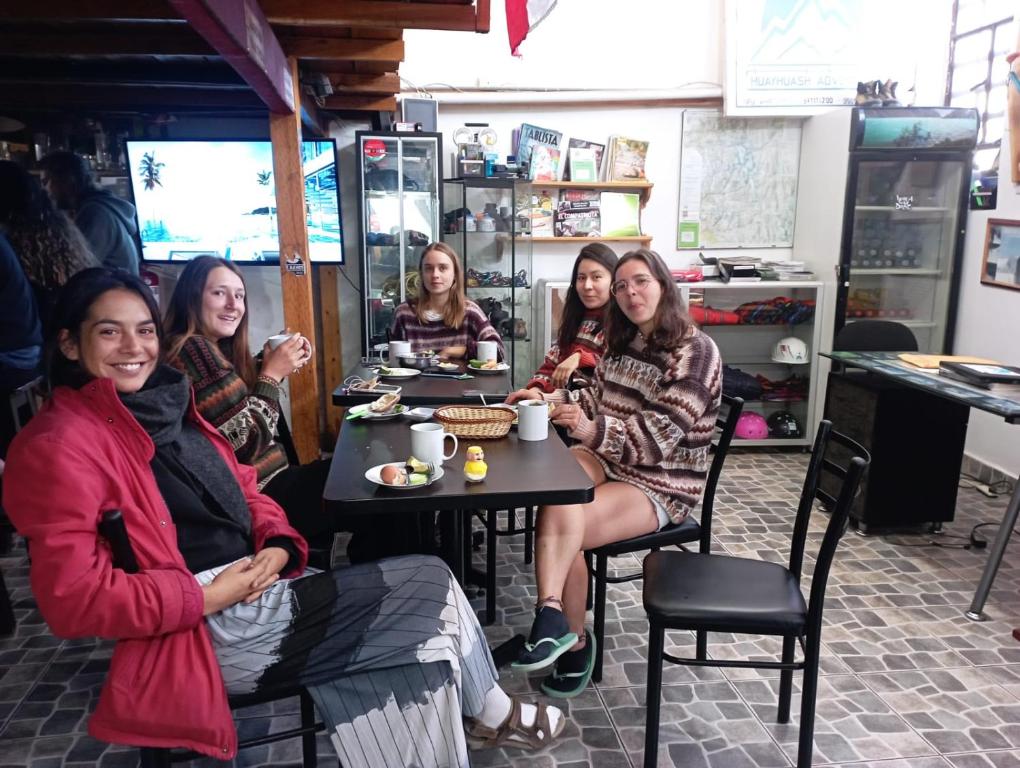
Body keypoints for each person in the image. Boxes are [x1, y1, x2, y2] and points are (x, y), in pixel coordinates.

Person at [2, 267, 565, 767]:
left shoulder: (166, 403)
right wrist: (206, 598)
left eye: (144, 329)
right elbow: (72, 603)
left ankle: (480, 717)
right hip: (198, 631)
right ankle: (493, 710)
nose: (134, 346)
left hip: (256, 587)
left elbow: (248, 485)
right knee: (430, 583)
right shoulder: (56, 444)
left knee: (415, 656)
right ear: (69, 344)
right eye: (110, 331)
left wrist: (278, 543)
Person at [506, 248, 722, 698]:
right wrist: (545, 403)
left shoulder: (696, 353)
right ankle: (552, 615)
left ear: (663, 284)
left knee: (570, 524)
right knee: (559, 489)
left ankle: (574, 641)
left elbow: (652, 442)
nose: (629, 292)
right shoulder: (623, 344)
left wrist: (586, 427)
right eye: (622, 286)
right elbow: (592, 402)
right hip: (610, 458)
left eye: (639, 281)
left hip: (661, 481)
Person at [163, 256, 330, 544]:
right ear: (191, 298)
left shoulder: (208, 350)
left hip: (267, 484)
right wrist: (272, 375)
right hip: (261, 494)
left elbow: (231, 403)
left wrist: (266, 362)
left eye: (239, 295)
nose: (233, 304)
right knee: (366, 483)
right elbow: (246, 441)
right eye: (219, 293)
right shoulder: (194, 350)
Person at [0, 160, 98, 321]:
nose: (46, 186)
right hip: (69, 322)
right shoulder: (53, 227)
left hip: (47, 332)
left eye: (47, 181)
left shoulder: (13, 240)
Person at [524, 243, 617, 395]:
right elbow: (551, 363)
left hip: (588, 413)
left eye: (596, 277)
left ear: (614, 280)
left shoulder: (621, 324)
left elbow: (614, 372)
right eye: (581, 278)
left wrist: (581, 357)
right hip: (558, 406)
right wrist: (536, 389)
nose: (587, 285)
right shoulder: (576, 318)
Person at [389, 242, 505, 360]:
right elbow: (394, 362)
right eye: (428, 268)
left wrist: (460, 350)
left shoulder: (470, 312)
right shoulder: (403, 314)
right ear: (421, 274)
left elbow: (498, 351)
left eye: (443, 268)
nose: (435, 275)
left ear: (455, 274)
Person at [38, 150, 140, 274]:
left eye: (45, 182)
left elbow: (74, 269)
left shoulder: (96, 214)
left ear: (68, 180)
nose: (44, 190)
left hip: (110, 291)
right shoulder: (96, 208)